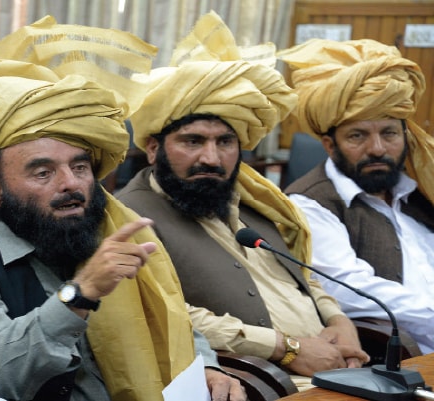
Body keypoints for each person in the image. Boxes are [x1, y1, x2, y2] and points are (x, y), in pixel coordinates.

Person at [0, 16, 245, 401]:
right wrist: (80, 294)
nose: (71, 183)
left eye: (79, 167)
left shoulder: (110, 234)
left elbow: (171, 322)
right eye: (43, 172)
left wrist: (207, 365)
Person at [115, 12, 370, 389]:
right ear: (153, 149)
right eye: (193, 141)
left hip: (336, 366)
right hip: (268, 381)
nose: (211, 158)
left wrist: (338, 321)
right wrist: (286, 348)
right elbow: (158, 313)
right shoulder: (129, 214)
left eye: (225, 142)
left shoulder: (252, 200)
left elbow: (302, 278)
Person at [279, 38, 434, 354]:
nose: (377, 148)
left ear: (405, 136)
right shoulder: (310, 202)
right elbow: (351, 290)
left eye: (389, 133)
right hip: (402, 359)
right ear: (329, 145)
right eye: (357, 136)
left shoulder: (420, 191)